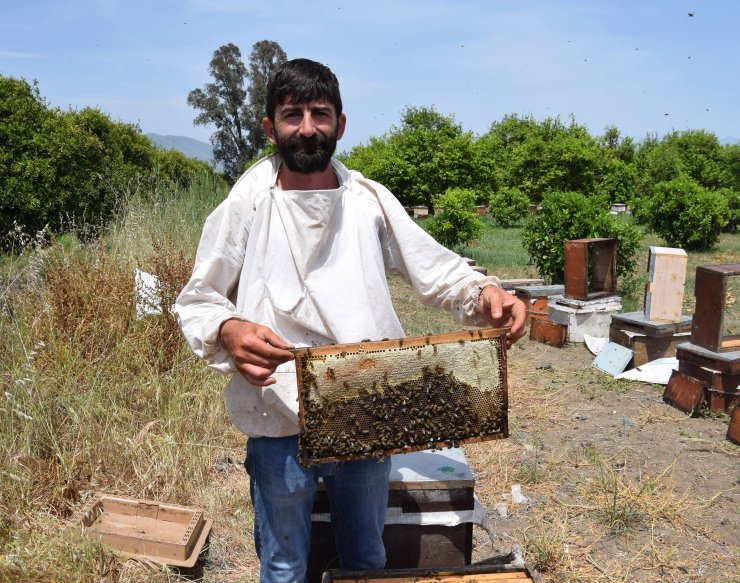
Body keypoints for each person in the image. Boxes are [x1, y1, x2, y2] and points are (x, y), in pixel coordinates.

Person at [174, 58, 527, 583]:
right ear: (271, 128)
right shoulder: (247, 202)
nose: (308, 127)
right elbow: (198, 300)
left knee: (367, 560)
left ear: (341, 124)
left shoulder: (368, 201)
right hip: (279, 415)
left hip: (367, 406)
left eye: (320, 113)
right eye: (293, 115)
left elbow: (435, 270)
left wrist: (488, 292)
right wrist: (229, 330)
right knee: (284, 564)